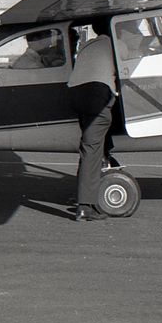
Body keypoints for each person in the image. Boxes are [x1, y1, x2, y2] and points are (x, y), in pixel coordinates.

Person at [66, 18, 119, 221]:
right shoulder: (117, 44)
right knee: (92, 147)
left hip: (74, 94)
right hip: (96, 95)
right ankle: (86, 206)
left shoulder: (90, 45)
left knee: (91, 147)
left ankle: (85, 195)